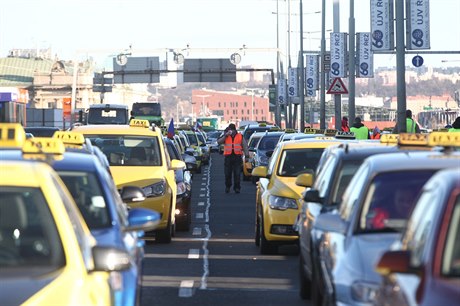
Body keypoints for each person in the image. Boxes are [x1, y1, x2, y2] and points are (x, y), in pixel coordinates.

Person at [217, 123, 249, 194]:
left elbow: (245, 146)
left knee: (237, 173)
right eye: (230, 130)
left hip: (237, 157)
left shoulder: (240, 136)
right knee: (227, 173)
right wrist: (225, 135)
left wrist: (246, 156)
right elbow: (219, 142)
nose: (231, 131)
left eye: (232, 130)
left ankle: (237, 188)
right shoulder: (226, 136)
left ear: (235, 130)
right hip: (228, 157)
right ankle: (228, 186)